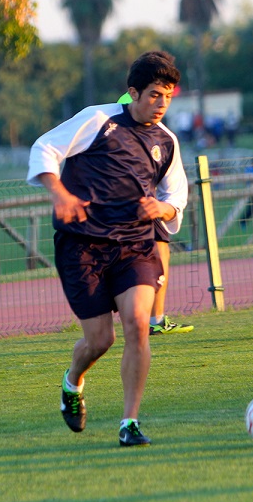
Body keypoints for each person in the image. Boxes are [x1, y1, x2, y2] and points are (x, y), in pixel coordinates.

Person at [28, 51, 188, 447]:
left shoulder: (166, 141)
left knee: (138, 324)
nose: (161, 105)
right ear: (133, 93)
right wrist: (60, 193)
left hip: (135, 245)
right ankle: (72, 382)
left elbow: (176, 197)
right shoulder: (98, 120)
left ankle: (129, 423)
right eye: (154, 95)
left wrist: (162, 209)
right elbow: (44, 148)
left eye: (168, 97)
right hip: (82, 247)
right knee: (101, 340)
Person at [116, 92, 193, 336]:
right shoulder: (113, 129)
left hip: (147, 205)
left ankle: (153, 320)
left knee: (160, 251)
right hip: (121, 206)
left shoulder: (164, 137)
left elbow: (173, 188)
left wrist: (165, 207)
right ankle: (148, 319)